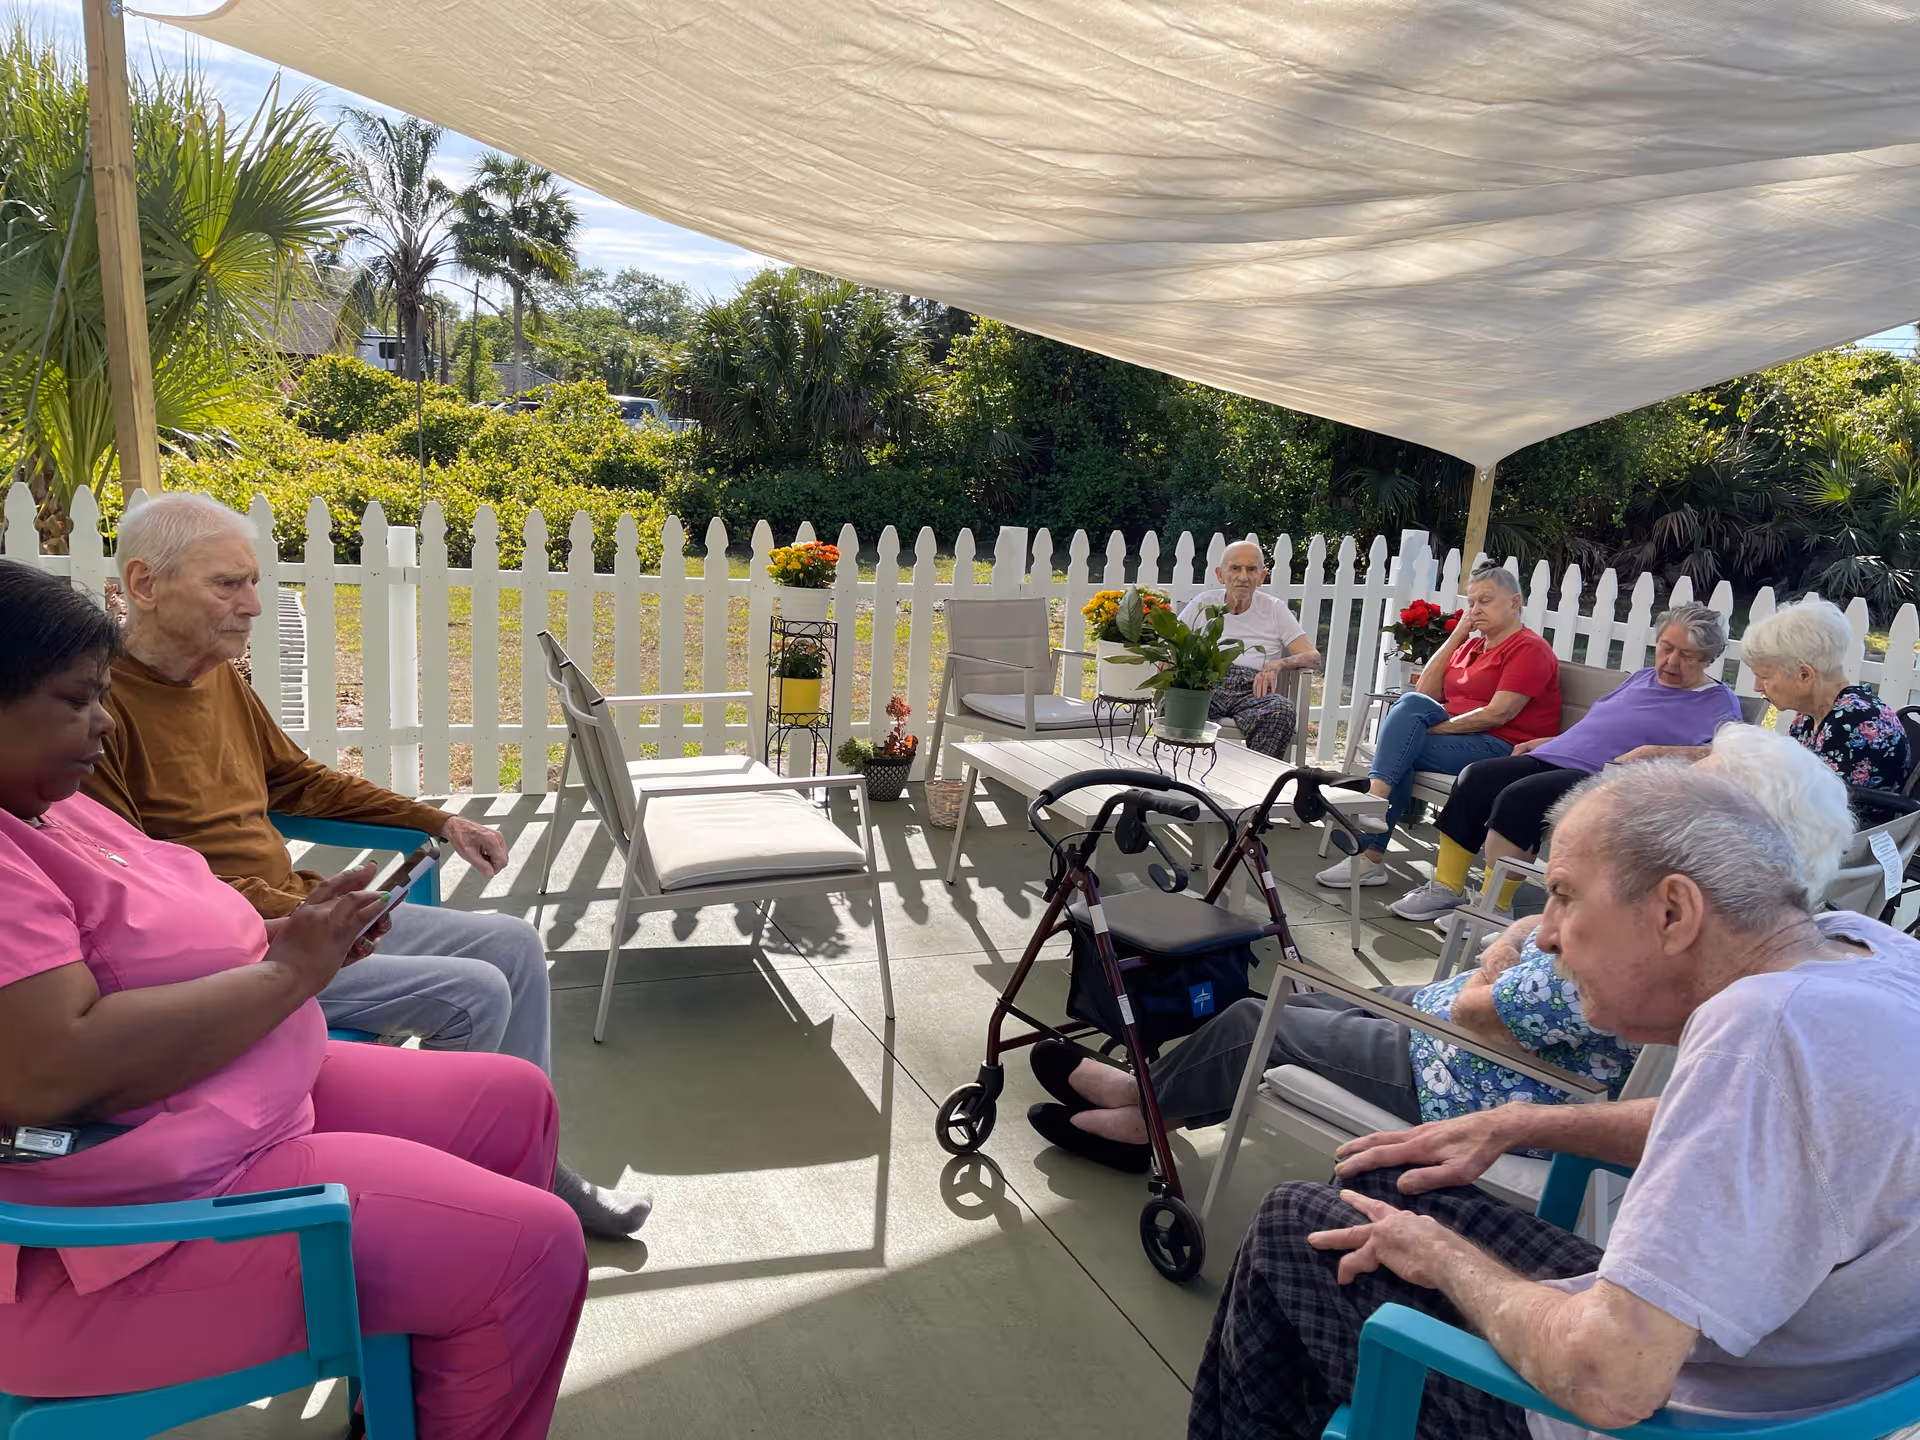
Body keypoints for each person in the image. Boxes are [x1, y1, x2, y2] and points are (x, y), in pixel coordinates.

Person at [0, 561, 586, 1439]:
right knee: (537, 1249)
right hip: (118, 1236)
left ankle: (422, 1377)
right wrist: (288, 973)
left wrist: (290, 933)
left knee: (516, 1101)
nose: (104, 721)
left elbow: (155, 936)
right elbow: (51, 1071)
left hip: (229, 1104)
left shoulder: (56, 803)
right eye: (78, 700)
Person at [1189, 762, 1920, 1440]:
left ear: (1673, 912)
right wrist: (1525, 1122)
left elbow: (1609, 1382)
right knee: (1384, 1184)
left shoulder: (1762, 1031)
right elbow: (1748, 1136)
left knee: (1297, 1228)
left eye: (1565, 896)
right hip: (1768, 1373)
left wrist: (1447, 1260)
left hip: (1663, 1413)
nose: (1543, 934)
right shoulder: (1868, 955)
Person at [80, 493, 646, 1239]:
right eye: (228, 585)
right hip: (234, 955)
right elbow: (136, 886)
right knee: (474, 993)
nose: (254, 605)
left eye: (254, 582)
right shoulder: (91, 716)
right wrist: (298, 916)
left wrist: (436, 819)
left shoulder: (218, 678)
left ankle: (531, 1161)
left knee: (513, 946)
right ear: (145, 585)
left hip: (302, 913)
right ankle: (464, 1205)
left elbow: (298, 780)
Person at [1025, 726, 1850, 1172]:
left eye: (1702, 776)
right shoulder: (1732, 932)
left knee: (1258, 1017)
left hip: (1463, 1078)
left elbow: (1476, 1009)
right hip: (1463, 1046)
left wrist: (1498, 961)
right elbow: (1513, 980)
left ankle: (1144, 1124)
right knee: (1303, 1001)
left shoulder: (1646, 947)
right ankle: (1148, 1095)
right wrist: (1526, 935)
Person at [1389, 603, 1742, 924]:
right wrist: (1549, 741)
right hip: (1558, 755)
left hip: (1605, 777)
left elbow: (1724, 754)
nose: (1670, 662)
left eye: (1687, 656)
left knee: (1519, 797)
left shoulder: (1717, 702)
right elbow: (1598, 723)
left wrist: (1654, 752)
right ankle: (1446, 889)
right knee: (1476, 777)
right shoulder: (1641, 678)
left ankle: (1494, 907)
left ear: (1708, 658)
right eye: (1666, 648)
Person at [1317, 562, 1561, 890]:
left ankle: (1371, 846)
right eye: (1471, 602)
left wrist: (1428, 732)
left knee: (1404, 748)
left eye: (1485, 601)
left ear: (1515, 602)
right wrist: (1458, 634)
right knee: (1410, 713)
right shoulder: (1473, 646)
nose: (1475, 609)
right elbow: (1426, 693)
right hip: (1464, 739)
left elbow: (1498, 714)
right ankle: (1372, 835)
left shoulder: (1529, 649)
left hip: (1502, 747)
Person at [1741, 594, 1911, 791]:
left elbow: (1811, 803)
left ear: (1804, 674)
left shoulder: (1855, 721)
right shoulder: (1814, 711)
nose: (1757, 686)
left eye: (1764, 677)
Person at [1174, 540, 1322, 757]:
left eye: (1251, 569)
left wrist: (1279, 663)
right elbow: (1172, 641)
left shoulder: (1274, 609)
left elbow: (1313, 657)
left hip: (1254, 691)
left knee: (1281, 711)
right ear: (1220, 575)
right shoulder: (1203, 603)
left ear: (1261, 577)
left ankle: (1259, 783)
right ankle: (1180, 776)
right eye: (1235, 568)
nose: (1243, 576)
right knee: (1177, 705)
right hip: (1206, 686)